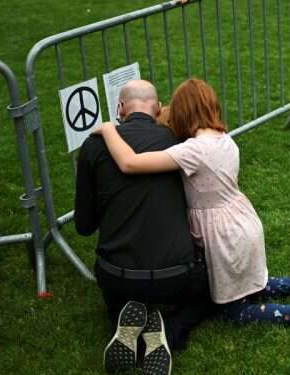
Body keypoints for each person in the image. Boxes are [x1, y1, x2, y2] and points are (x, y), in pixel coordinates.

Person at [92, 78, 290, 331]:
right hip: (244, 222)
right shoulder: (225, 140)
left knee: (234, 309)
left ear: (182, 113)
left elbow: (129, 163)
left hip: (222, 236)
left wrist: (108, 129)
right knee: (249, 284)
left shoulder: (192, 151)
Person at [75, 79, 214, 375]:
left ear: (120, 109)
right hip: (174, 274)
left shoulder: (93, 146)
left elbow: (84, 225)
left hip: (117, 274)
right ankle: (167, 328)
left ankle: (124, 321)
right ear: (158, 107)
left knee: (120, 296)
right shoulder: (179, 144)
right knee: (210, 290)